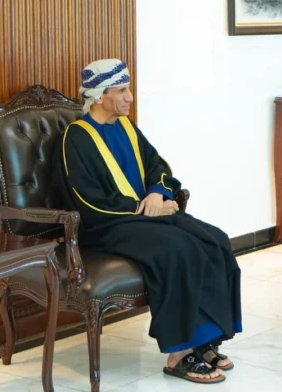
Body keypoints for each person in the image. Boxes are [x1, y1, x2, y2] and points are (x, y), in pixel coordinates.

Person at [52, 59, 242, 385]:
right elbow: (87, 198)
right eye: (122, 90)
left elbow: (158, 166)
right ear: (99, 95)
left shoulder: (127, 127)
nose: (130, 97)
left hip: (144, 218)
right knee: (176, 250)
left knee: (216, 240)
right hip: (106, 226)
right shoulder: (76, 137)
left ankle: (206, 339)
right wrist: (144, 209)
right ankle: (179, 354)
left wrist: (156, 194)